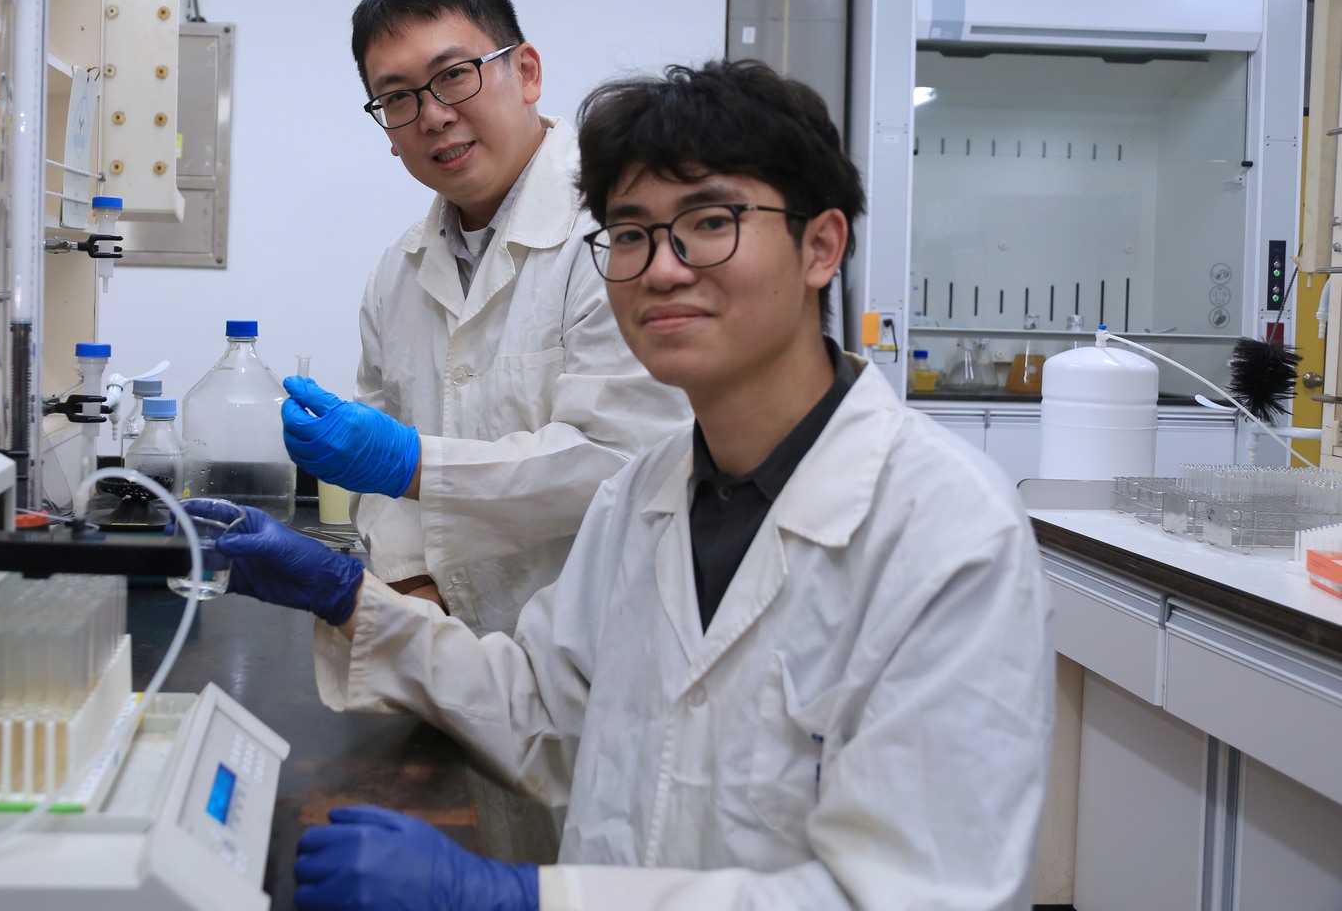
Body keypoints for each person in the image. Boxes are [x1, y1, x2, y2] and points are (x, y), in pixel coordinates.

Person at [199, 59, 1054, 911]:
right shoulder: (645, 496)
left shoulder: (947, 534)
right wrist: (345, 594)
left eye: (710, 221)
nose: (663, 268)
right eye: (632, 233)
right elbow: (539, 709)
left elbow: (916, 896)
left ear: (820, 246)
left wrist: (521, 900)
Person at [278, 0, 688, 636]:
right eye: (399, 97)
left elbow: (619, 461)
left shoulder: (620, 233)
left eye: (454, 75)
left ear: (525, 72)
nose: (433, 115)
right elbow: (385, 483)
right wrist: (409, 578)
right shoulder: (397, 273)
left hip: (608, 648)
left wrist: (414, 465)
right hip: (453, 660)